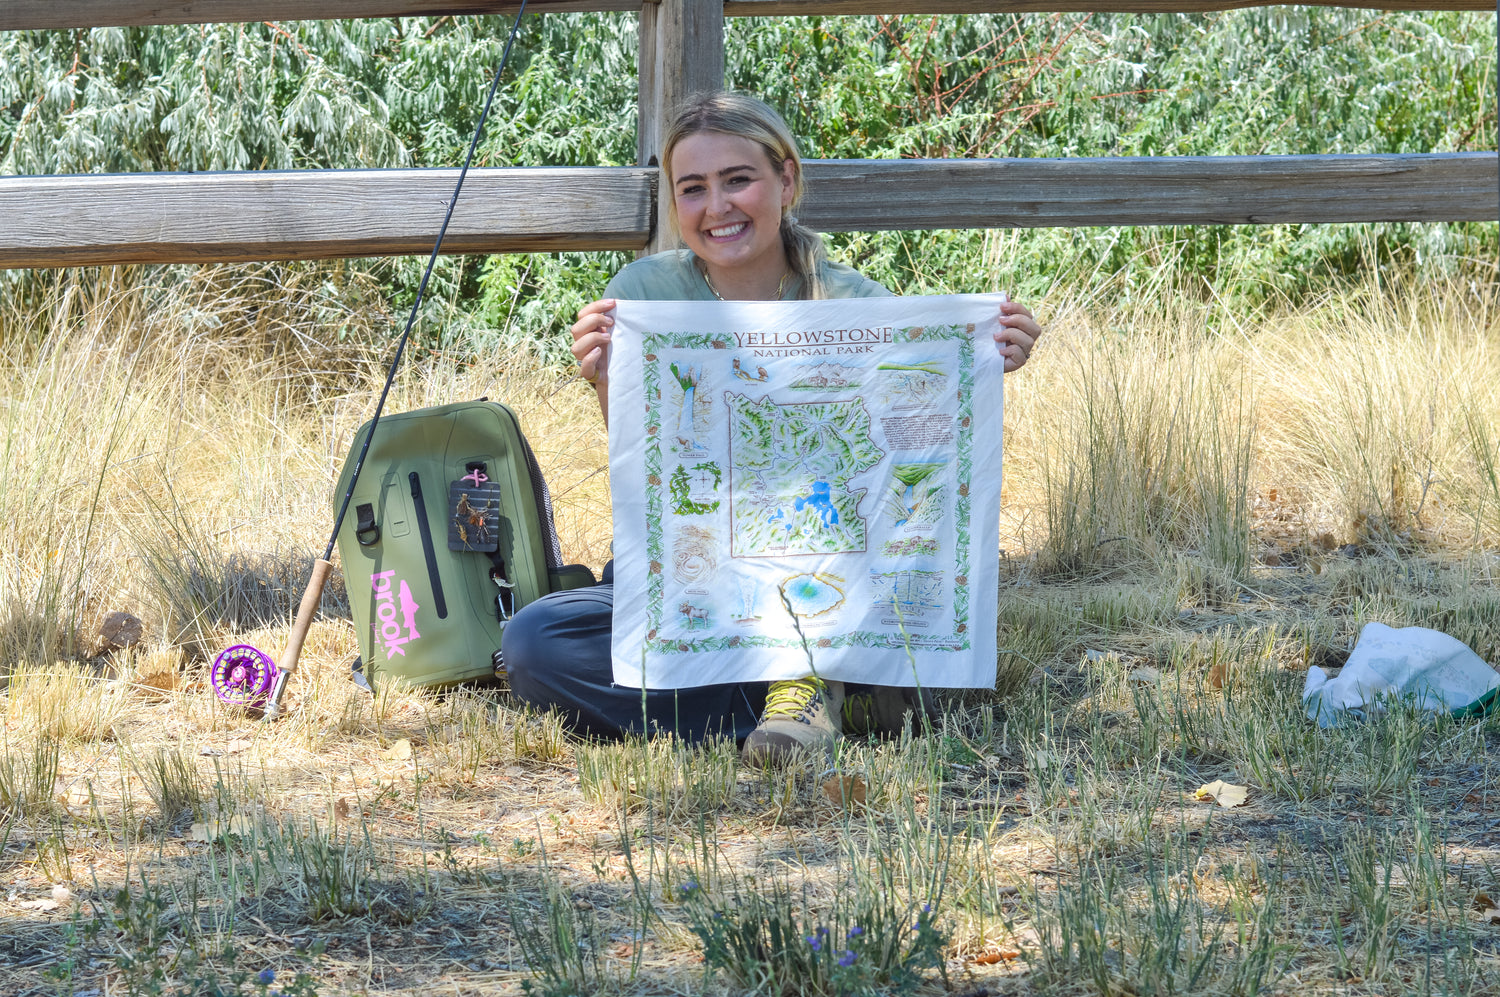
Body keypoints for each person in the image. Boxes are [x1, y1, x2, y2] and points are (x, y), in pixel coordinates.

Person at [502, 91, 1039, 767]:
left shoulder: (854, 303)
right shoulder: (644, 295)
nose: (717, 207)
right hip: (699, 578)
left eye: (738, 180)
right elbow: (656, 471)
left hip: (829, 578)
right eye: (692, 188)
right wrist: (605, 376)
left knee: (926, 631)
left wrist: (989, 356)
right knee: (533, 646)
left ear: (785, 180)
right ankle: (819, 696)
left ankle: (802, 686)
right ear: (674, 203)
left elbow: (905, 448)